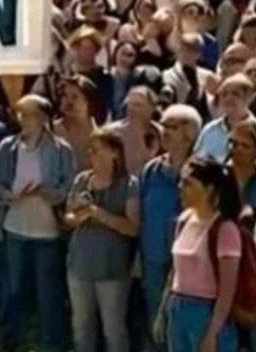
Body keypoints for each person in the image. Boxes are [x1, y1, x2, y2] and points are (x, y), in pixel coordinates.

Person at [0, 94, 76, 352]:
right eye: (20, 114)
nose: (23, 119)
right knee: (12, 289)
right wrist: (11, 196)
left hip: (47, 231)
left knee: (48, 292)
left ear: (43, 118)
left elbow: (68, 188)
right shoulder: (7, 147)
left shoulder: (62, 150)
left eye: (28, 114)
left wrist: (45, 192)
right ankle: (10, 340)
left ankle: (52, 343)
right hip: (14, 227)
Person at [64, 128, 140, 352]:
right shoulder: (82, 180)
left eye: (96, 150)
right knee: (81, 327)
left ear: (114, 152)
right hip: (79, 267)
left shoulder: (129, 184)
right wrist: (78, 215)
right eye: (90, 150)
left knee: (113, 330)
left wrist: (96, 213)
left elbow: (132, 227)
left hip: (112, 271)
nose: (91, 154)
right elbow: (68, 218)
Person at [160, 158, 244, 352]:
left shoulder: (225, 229)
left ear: (209, 189)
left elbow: (227, 292)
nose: (180, 187)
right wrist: (164, 310)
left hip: (206, 314)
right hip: (178, 311)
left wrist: (212, 333)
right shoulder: (183, 221)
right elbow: (175, 272)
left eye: (188, 183)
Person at [142, 105, 201, 337]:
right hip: (153, 259)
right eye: (163, 126)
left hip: (189, 263)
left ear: (189, 134)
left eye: (171, 127)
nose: (164, 132)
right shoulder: (151, 170)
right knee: (156, 326)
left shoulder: (202, 171)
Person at [196, 75, 256, 162]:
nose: (228, 98)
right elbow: (196, 159)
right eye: (224, 94)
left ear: (249, 97)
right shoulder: (210, 129)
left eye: (235, 94)